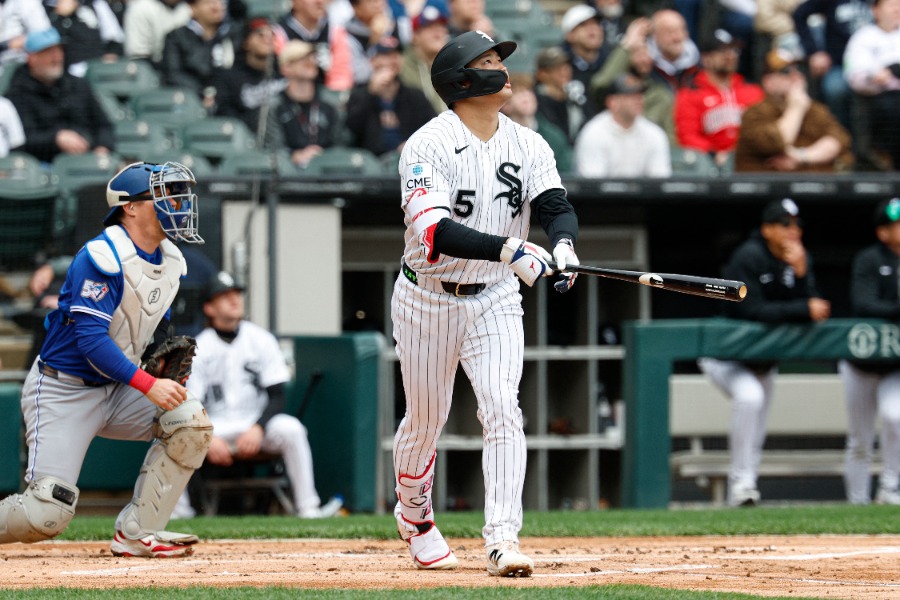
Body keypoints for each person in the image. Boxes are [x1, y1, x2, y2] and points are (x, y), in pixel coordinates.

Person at [392, 30, 579, 577]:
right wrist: (512, 248)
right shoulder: (426, 145)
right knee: (427, 420)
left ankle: (502, 539)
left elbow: (554, 205)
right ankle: (415, 510)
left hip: (495, 296)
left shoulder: (529, 142)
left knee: (502, 407)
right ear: (463, 79)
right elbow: (435, 232)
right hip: (428, 296)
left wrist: (563, 246)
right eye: (491, 61)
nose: (504, 69)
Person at [0, 160, 213, 557]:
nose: (177, 204)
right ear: (130, 206)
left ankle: (138, 532)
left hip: (116, 387)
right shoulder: (103, 255)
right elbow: (91, 342)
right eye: (164, 195)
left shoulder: (169, 260)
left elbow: (154, 330)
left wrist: (157, 363)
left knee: (189, 423)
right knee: (45, 514)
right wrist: (149, 383)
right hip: (65, 390)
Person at [177, 270, 345, 519]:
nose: (234, 300)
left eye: (236, 293)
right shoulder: (198, 346)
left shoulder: (261, 339)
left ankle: (308, 508)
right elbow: (191, 404)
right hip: (215, 426)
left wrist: (258, 427)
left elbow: (277, 395)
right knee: (177, 433)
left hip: (256, 423)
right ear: (209, 308)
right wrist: (207, 436)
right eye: (224, 296)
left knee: (292, 429)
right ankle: (179, 514)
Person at [698, 198, 831, 507]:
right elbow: (752, 309)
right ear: (767, 229)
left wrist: (800, 273)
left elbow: (815, 308)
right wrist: (801, 306)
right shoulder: (749, 256)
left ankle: (746, 486)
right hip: (725, 354)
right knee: (750, 398)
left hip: (763, 360)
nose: (793, 232)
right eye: (785, 225)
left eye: (796, 225)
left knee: (758, 418)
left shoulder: (798, 258)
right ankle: (742, 484)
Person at [839, 197, 900, 506]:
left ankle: (891, 489)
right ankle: (858, 503)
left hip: (894, 364)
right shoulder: (869, 259)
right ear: (882, 232)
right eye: (896, 224)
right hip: (860, 363)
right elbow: (864, 303)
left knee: (895, 417)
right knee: (860, 439)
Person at [5, 27, 115, 163]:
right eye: (48, 52)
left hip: (89, 160)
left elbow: (103, 124)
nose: (56, 57)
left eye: (58, 50)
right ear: (32, 58)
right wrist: (55, 139)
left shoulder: (78, 85)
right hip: (45, 166)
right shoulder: (17, 93)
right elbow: (20, 140)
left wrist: (102, 146)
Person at [734, 49, 853, 172]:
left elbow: (840, 140)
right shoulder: (754, 113)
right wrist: (796, 108)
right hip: (769, 189)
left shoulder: (814, 109)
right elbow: (775, 143)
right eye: (786, 71)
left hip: (816, 188)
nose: (796, 75)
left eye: (800, 69)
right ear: (768, 82)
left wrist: (802, 156)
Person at [674, 28, 764, 168]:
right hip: (710, 165)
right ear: (706, 58)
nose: (730, 56)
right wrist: (713, 153)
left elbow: (764, 129)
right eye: (723, 51)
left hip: (750, 160)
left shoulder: (753, 91)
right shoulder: (691, 94)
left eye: (734, 50)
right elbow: (688, 136)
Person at [590, 17, 677, 145]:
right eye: (637, 53)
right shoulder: (615, 90)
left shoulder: (661, 95)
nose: (644, 59)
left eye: (647, 53)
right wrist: (627, 46)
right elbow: (600, 86)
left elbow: (670, 138)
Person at [344, 35, 435, 156]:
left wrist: (412, 144)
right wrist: (371, 93)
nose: (392, 60)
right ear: (373, 61)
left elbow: (432, 128)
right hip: (369, 164)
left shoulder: (414, 96)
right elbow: (350, 131)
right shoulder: (359, 94)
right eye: (386, 55)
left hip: (409, 158)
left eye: (396, 55)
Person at [793, 0, 871, 134]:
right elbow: (799, 14)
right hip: (839, 64)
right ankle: (841, 139)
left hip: (877, 64)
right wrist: (814, 52)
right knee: (835, 89)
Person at [574, 72, 671, 177]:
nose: (638, 100)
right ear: (612, 102)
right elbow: (592, 186)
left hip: (644, 194)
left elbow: (660, 182)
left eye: (640, 95)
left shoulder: (654, 134)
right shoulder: (594, 133)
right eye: (631, 95)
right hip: (604, 193)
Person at [843, 0, 900, 170]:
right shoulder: (863, 36)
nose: (897, 9)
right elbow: (856, 75)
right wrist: (886, 75)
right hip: (876, 97)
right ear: (875, 10)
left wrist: (890, 71)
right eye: (891, 4)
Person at [212, 18, 286, 148]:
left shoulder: (284, 74)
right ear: (246, 42)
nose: (267, 39)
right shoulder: (230, 77)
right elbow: (225, 115)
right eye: (260, 34)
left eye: (271, 35)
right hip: (246, 141)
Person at [274, 39, 341, 168]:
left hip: (327, 171)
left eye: (312, 57)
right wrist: (295, 156)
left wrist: (325, 157)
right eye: (302, 58)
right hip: (287, 175)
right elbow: (273, 149)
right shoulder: (274, 106)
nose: (310, 62)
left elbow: (339, 144)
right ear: (286, 67)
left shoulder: (329, 104)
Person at [160, 0, 238, 100]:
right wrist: (201, 92)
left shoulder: (233, 36)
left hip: (227, 101)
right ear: (193, 8)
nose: (217, 7)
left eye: (220, 2)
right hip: (190, 99)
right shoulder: (176, 37)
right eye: (209, 3)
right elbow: (172, 74)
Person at [273, 0, 353, 92]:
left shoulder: (334, 30)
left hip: (327, 96)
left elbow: (341, 76)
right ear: (295, 2)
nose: (319, 2)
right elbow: (279, 74)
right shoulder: (278, 33)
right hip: (288, 95)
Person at [500, 72, 573, 174]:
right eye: (518, 93)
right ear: (505, 105)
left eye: (528, 91)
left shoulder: (553, 136)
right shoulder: (498, 137)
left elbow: (566, 175)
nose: (526, 96)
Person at [534, 45, 597, 144]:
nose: (565, 71)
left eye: (567, 66)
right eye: (557, 68)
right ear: (542, 73)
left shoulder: (576, 96)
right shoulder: (535, 102)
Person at [45, 0, 125, 76]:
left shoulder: (96, 4)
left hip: (98, 68)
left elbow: (114, 40)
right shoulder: (46, 7)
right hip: (69, 71)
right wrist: (58, 16)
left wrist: (109, 61)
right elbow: (45, 44)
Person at [399, 4, 449, 114]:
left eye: (441, 27)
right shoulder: (401, 66)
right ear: (415, 36)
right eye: (430, 28)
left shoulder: (453, 63)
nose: (438, 33)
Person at [647, 8, 701, 93]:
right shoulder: (644, 67)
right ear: (655, 36)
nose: (676, 38)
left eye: (680, 31)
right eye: (669, 32)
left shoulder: (700, 68)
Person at [560, 4, 609, 97]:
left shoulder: (611, 59)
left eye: (596, 23)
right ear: (570, 35)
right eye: (583, 25)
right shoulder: (560, 66)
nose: (593, 28)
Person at [123, 0, 192, 65]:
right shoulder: (140, 8)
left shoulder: (190, 9)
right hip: (152, 70)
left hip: (187, 68)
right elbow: (139, 58)